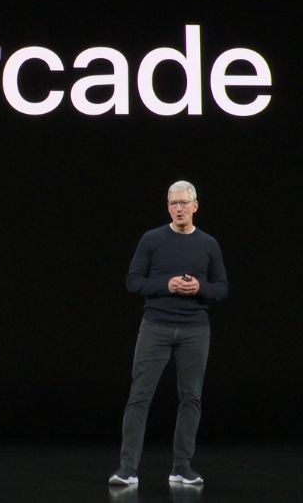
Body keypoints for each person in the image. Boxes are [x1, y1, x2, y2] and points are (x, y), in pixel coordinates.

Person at [108, 180, 229, 487]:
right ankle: (127, 469)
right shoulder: (152, 239)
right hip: (156, 326)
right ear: (168, 207)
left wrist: (199, 287)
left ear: (195, 206)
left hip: (195, 329)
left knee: (191, 398)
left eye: (183, 203)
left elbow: (221, 287)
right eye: (173, 203)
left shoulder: (208, 244)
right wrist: (167, 285)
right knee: (139, 396)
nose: (178, 208)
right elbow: (133, 281)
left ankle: (182, 467)